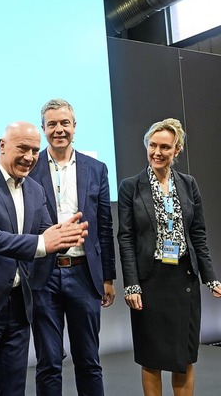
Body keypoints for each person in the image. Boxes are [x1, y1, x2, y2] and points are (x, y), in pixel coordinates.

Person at [0, 121, 89, 396]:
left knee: (14, 390)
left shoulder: (35, 189)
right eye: (23, 148)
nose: (30, 157)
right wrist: (43, 243)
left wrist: (64, 237)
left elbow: (46, 234)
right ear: (2, 146)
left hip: (19, 305)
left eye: (35, 150)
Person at [117, 118, 221, 396]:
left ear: (177, 150)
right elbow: (125, 238)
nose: (157, 152)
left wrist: (210, 278)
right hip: (149, 282)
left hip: (183, 281)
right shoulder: (131, 186)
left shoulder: (188, 184)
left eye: (165, 146)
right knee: (151, 360)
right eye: (153, 145)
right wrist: (131, 284)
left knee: (183, 358)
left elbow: (198, 234)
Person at [28, 99, 116, 395]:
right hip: (44, 276)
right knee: (48, 362)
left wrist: (108, 277)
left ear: (74, 127)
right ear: (43, 129)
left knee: (89, 361)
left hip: (83, 275)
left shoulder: (97, 169)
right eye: (52, 124)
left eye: (64, 123)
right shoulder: (30, 168)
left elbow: (104, 226)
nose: (59, 130)